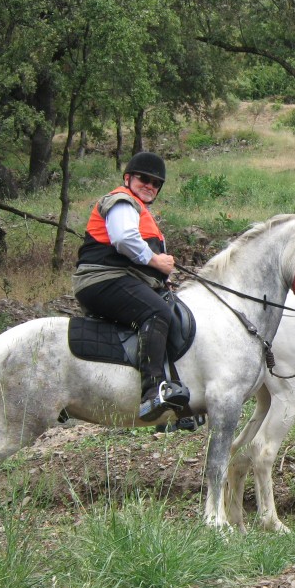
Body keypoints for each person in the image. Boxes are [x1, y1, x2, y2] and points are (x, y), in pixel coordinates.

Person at [73, 151, 190, 421]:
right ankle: (153, 393)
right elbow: (124, 239)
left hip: (121, 279)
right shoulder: (122, 202)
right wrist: (157, 261)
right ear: (128, 178)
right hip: (103, 279)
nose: (149, 185)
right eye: (143, 179)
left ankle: (179, 404)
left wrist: (163, 277)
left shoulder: (140, 210)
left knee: (171, 310)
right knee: (158, 312)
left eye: (155, 182)